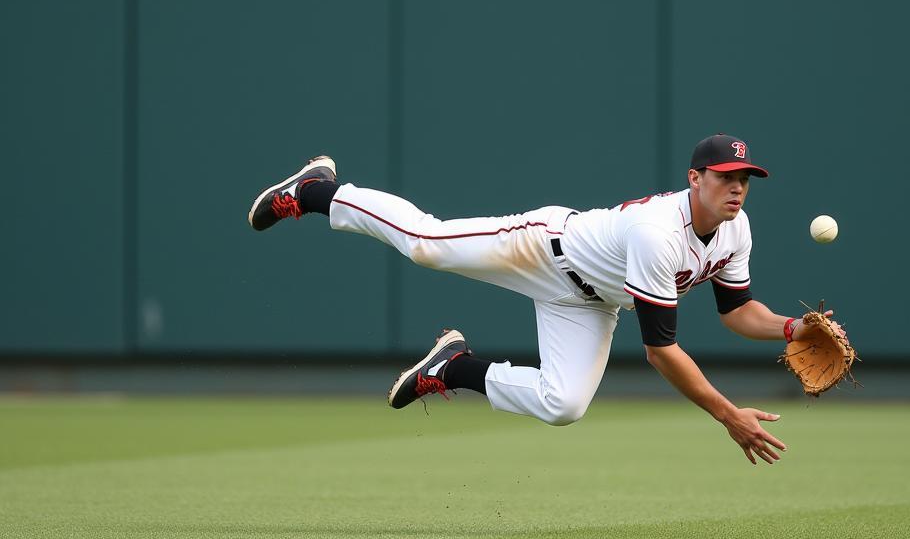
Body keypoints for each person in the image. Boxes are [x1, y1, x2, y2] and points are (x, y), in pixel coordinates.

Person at [248, 134, 815, 465]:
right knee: (426, 244)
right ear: (695, 178)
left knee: (564, 404)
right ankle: (315, 190)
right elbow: (661, 351)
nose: (737, 187)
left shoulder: (737, 230)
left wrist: (791, 328)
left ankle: (453, 369)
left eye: (745, 177)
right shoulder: (658, 232)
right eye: (725, 176)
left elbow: (738, 311)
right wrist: (726, 415)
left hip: (591, 304)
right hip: (544, 249)